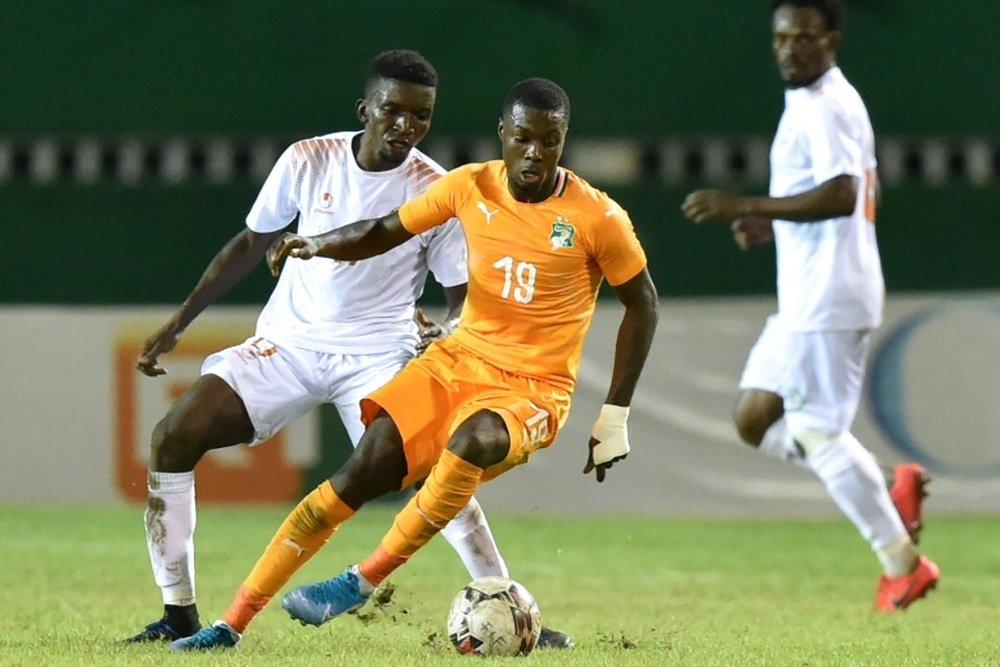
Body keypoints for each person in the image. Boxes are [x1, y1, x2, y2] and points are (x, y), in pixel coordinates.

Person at [168, 77, 659, 651]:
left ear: (563, 139)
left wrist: (614, 416)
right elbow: (384, 231)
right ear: (503, 132)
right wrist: (318, 243)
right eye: (523, 138)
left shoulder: (598, 217)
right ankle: (230, 624)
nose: (534, 154)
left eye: (549, 142)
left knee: (472, 441)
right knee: (359, 471)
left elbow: (642, 304)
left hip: (533, 390)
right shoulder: (468, 186)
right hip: (456, 364)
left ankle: (360, 580)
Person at [681, 0, 938, 612]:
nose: (789, 48)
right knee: (754, 418)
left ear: (833, 42)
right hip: (806, 292)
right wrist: (774, 226)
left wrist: (747, 205)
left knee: (819, 429)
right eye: (781, 38)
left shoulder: (826, 104)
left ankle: (902, 562)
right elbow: (827, 193)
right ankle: (884, 483)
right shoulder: (810, 101)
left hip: (830, 293)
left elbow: (843, 193)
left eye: (805, 37)